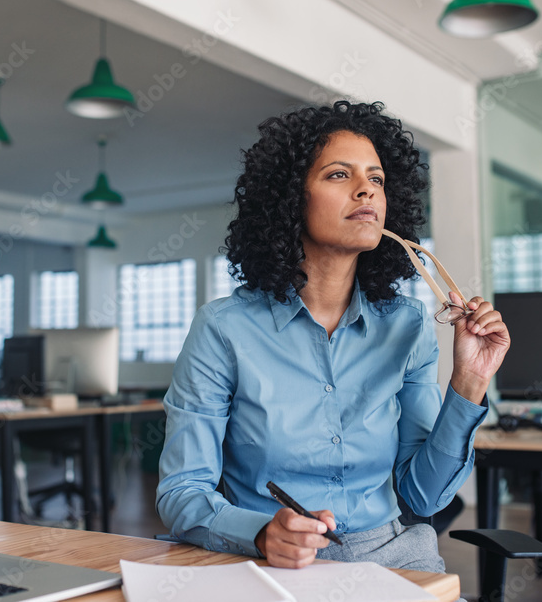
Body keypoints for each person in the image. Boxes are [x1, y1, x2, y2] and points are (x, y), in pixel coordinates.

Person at [156, 101, 510, 571]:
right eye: (339, 175)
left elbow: (423, 496)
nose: (366, 189)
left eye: (377, 179)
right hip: (269, 560)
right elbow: (182, 491)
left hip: (390, 555)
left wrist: (469, 381)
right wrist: (261, 534)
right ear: (290, 198)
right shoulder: (223, 329)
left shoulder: (408, 325)